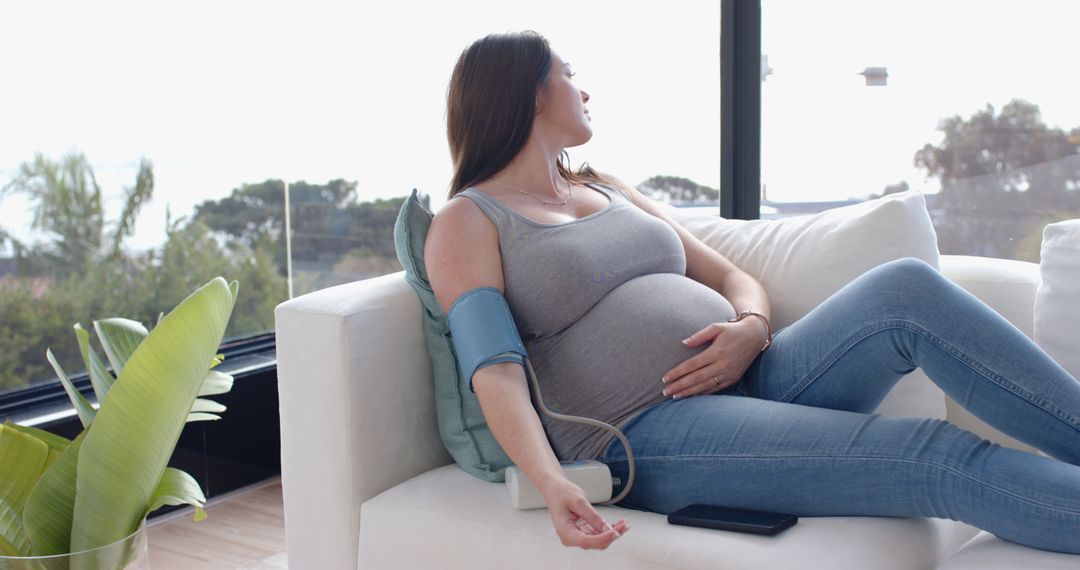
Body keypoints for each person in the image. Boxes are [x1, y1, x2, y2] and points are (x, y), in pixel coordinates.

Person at [425, 30, 1080, 555]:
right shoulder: (469, 219)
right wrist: (550, 480)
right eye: (569, 74)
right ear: (529, 94)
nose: (585, 89)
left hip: (756, 376)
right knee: (934, 457)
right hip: (645, 434)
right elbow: (494, 368)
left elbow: (731, 277)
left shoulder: (605, 186)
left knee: (904, 290)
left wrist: (751, 328)